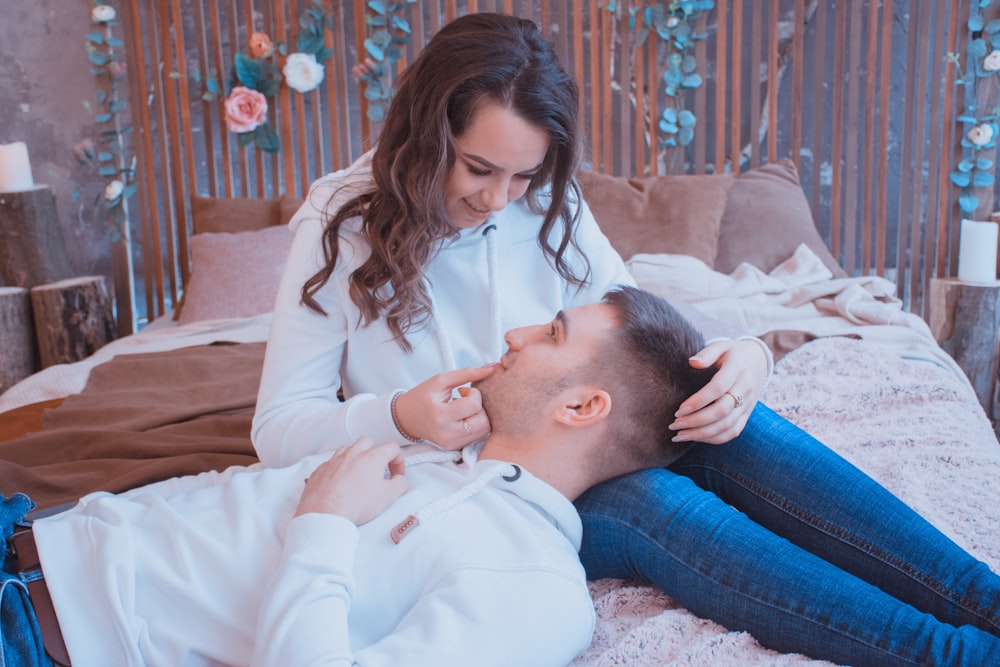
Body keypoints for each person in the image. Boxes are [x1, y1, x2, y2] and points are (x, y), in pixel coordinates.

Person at [252, 12, 1000, 666]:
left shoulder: (544, 203)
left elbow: (637, 326)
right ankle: (958, 656)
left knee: (723, 419)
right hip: (477, 493)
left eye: (521, 176)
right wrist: (396, 415)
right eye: (477, 168)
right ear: (426, 131)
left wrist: (743, 356)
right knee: (650, 498)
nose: (496, 201)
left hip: (583, 434)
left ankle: (987, 603)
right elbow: (277, 428)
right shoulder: (342, 224)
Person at [2, 287, 713, 667]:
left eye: (552, 334)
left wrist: (326, 524)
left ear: (585, 405)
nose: (515, 334)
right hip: (33, 529)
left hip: (38, 630)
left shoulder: (538, 588)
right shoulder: (445, 455)